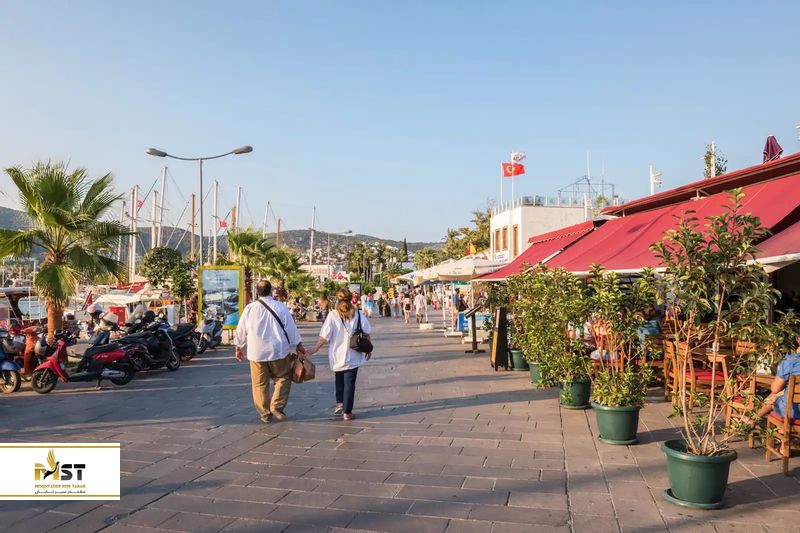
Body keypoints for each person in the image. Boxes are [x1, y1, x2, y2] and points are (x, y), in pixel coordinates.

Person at [235, 280, 306, 423]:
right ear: (270, 291)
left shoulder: (249, 309)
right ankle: (277, 406)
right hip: (278, 350)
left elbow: (241, 329)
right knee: (283, 378)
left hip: (256, 352)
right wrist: (298, 344)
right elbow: (290, 328)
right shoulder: (280, 307)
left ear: (257, 291)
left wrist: (238, 346)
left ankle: (265, 414)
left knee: (259, 384)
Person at [307, 289, 372, 421]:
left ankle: (340, 405)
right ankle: (347, 412)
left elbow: (324, 336)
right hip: (354, 353)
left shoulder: (333, 315)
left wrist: (315, 348)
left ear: (338, 299)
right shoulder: (358, 314)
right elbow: (366, 333)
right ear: (351, 299)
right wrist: (368, 349)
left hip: (337, 354)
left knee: (339, 380)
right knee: (350, 383)